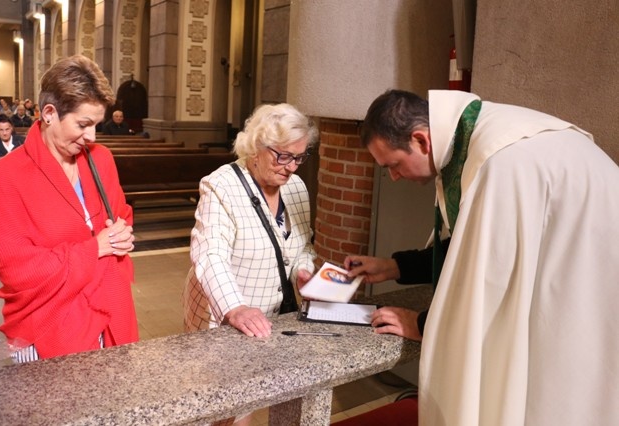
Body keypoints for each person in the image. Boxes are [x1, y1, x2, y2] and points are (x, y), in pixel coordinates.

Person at [342, 89, 619, 425]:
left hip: (572, 304)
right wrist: (395, 266)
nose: (394, 177)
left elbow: (487, 283)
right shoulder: (496, 131)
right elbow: (476, 244)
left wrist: (419, 324)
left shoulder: (499, 162)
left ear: (421, 140)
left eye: (394, 165)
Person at [0, 55, 139, 362]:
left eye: (96, 125)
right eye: (83, 124)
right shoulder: (8, 175)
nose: (91, 136)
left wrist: (123, 233)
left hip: (111, 309)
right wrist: (94, 250)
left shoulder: (100, 158)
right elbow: (16, 269)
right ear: (49, 113)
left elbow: (118, 214)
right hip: (50, 324)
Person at [182, 103, 318, 425]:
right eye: (283, 156)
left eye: (299, 157)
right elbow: (210, 255)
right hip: (222, 315)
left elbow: (300, 245)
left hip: (271, 317)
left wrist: (304, 271)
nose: (292, 168)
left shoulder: (295, 188)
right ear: (257, 146)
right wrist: (235, 308)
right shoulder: (221, 186)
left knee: (263, 397)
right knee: (224, 412)